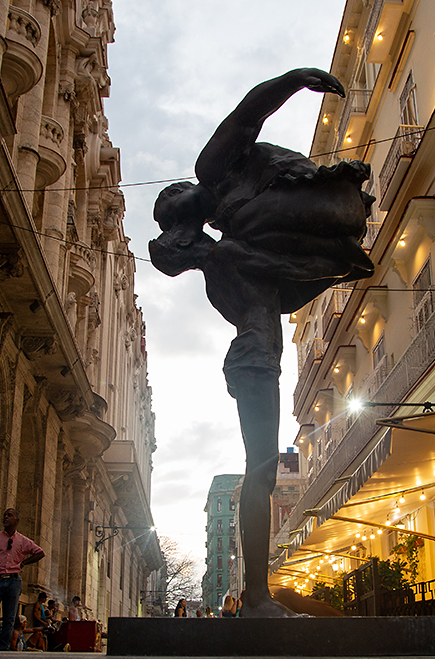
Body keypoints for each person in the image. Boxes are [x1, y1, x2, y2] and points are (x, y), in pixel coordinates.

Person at [150, 68, 374, 618]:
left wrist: (292, 83)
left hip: (256, 362)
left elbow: (247, 116)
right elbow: (249, 113)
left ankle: (257, 596)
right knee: (261, 471)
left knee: (263, 471)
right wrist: (293, 80)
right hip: (253, 363)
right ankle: (255, 599)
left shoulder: (228, 237)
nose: (183, 189)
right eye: (175, 196)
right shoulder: (227, 254)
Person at [0, 508, 45, 651]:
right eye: (5, 515)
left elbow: (40, 553)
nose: (6, 517)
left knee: (9, 617)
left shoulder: (23, 540)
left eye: (9, 515)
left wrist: (24, 563)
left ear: (17, 520)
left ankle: (3, 647)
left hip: (13, 581)